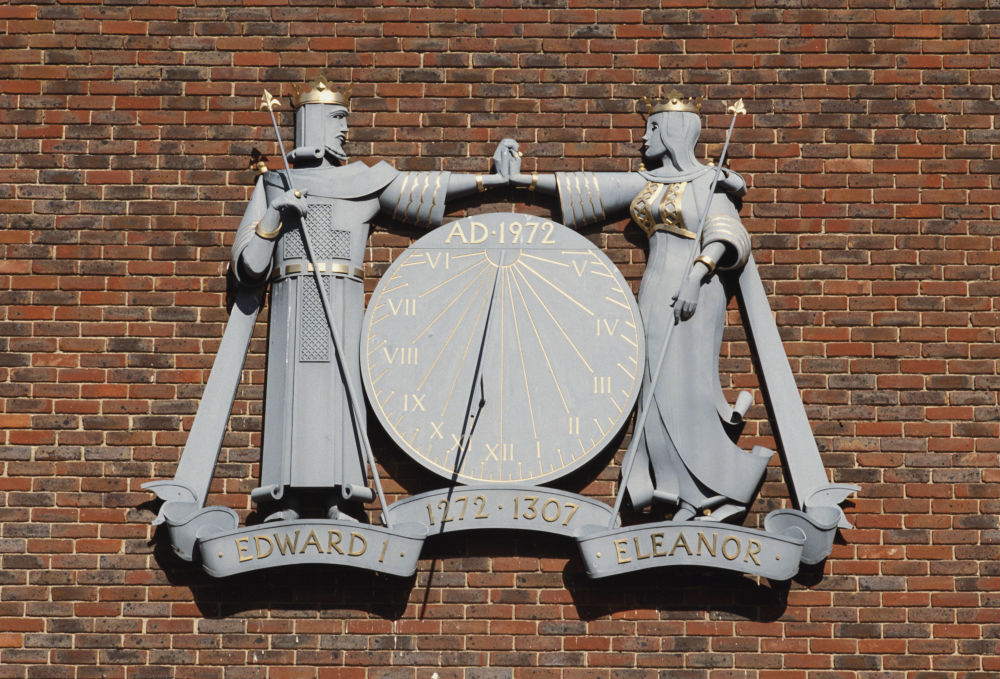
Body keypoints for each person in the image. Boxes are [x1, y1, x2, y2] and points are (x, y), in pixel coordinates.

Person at [232, 76, 517, 521]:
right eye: (338, 119)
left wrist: (489, 181)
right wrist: (276, 214)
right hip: (292, 308)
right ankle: (283, 499)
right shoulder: (274, 185)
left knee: (342, 395)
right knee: (295, 394)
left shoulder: (363, 182)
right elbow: (249, 267)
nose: (345, 130)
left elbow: (425, 189)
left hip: (343, 309)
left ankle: (340, 497)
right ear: (313, 124)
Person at [502, 94, 772, 522]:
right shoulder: (651, 183)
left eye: (651, 129)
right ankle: (682, 494)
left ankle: (724, 488)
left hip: (694, 294)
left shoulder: (710, 181)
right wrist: (519, 182)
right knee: (655, 385)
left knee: (688, 389)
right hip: (655, 292)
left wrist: (696, 277)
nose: (642, 139)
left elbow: (726, 234)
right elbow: (589, 187)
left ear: (673, 132)